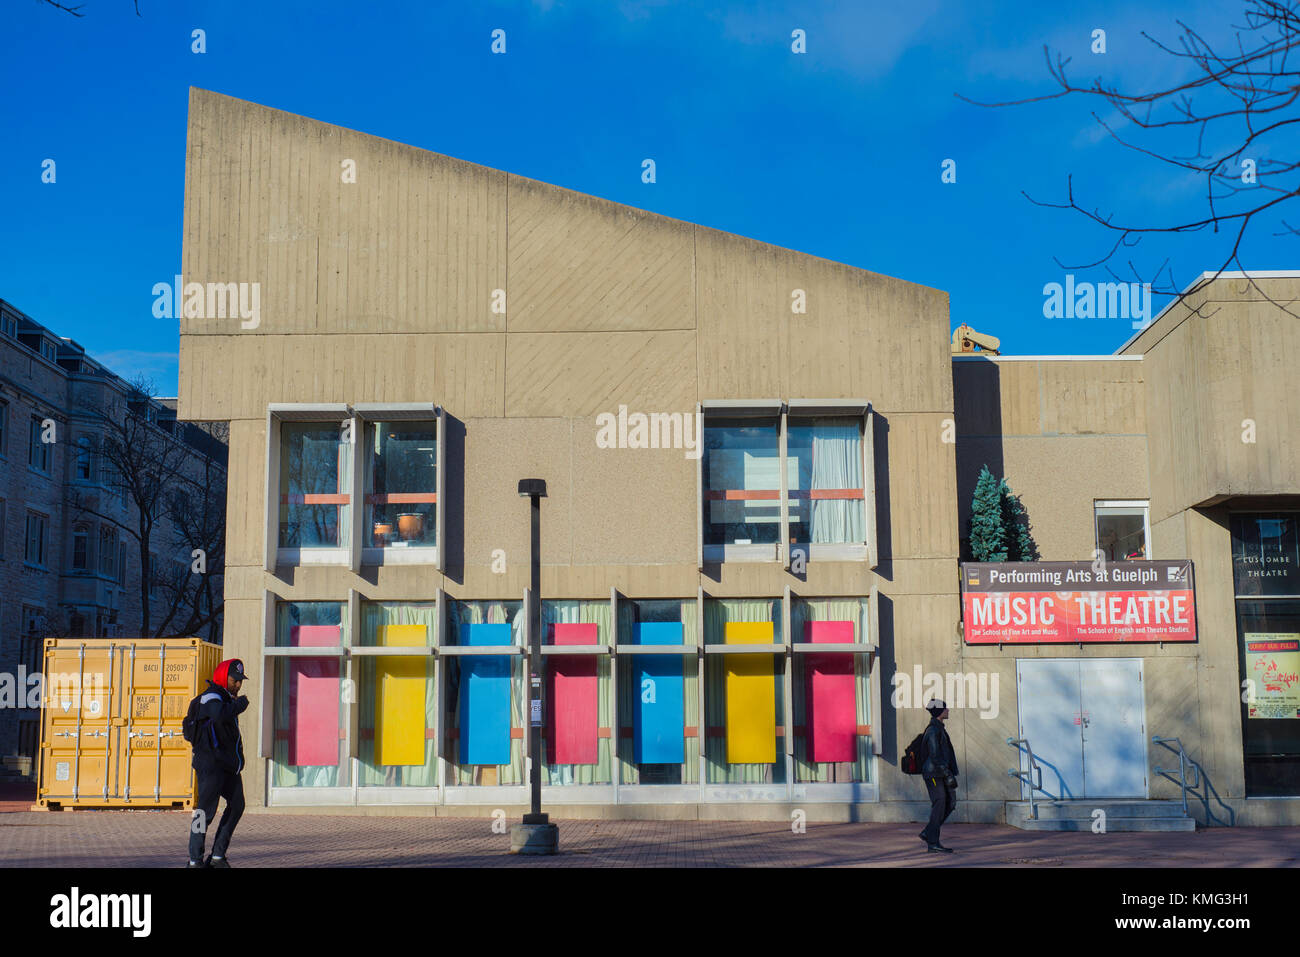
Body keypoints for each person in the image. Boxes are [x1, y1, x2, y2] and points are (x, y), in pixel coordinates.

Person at [187, 658, 250, 868]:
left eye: (241, 681)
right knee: (204, 813)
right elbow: (218, 714)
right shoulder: (211, 696)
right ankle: (195, 860)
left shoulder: (225, 697)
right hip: (211, 766)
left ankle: (217, 857)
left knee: (237, 805)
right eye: (235, 680)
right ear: (224, 677)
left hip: (227, 766)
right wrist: (239, 705)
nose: (238, 685)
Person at [919, 698, 958, 853]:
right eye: (945, 708)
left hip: (939, 772)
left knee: (950, 802)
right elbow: (935, 756)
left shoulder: (939, 728)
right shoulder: (933, 730)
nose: (948, 710)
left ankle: (929, 832)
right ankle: (933, 842)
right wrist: (948, 774)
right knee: (940, 803)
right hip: (934, 774)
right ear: (939, 712)